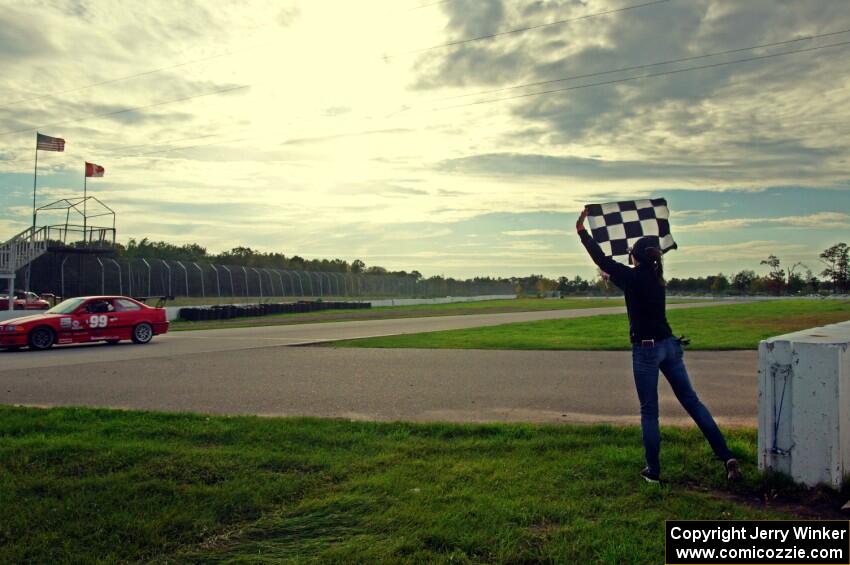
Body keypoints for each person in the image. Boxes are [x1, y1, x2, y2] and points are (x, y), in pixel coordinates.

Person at [575, 207, 741, 483]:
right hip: (670, 346)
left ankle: (653, 470)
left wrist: (582, 231)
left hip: (647, 350)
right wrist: (611, 275)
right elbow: (625, 280)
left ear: (635, 256)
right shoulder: (655, 278)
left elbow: (602, 259)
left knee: (649, 410)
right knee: (693, 402)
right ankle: (726, 456)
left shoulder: (633, 277)